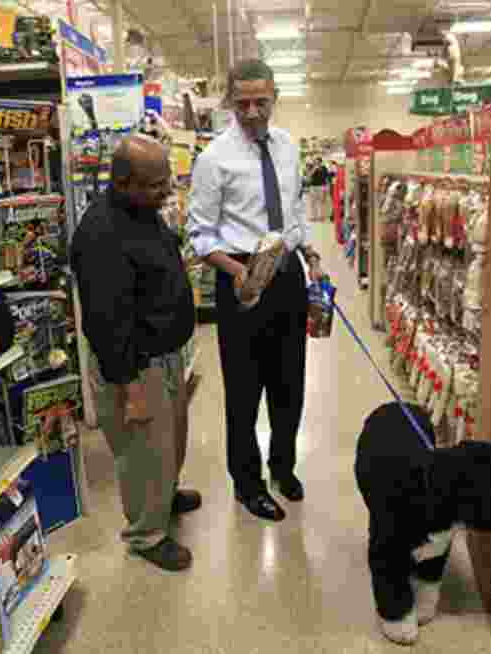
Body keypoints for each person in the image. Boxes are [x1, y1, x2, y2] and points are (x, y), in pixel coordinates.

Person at [187, 59, 326, 522]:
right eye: (241, 102)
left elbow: (294, 214)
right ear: (229, 100)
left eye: (260, 102)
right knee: (245, 391)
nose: (251, 112)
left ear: (274, 98)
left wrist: (313, 257)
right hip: (241, 279)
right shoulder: (214, 158)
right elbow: (200, 234)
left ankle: (282, 467)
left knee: (290, 385)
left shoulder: (287, 147)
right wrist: (235, 270)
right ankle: (247, 484)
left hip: (286, 276)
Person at [71, 136, 200, 571]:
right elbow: (107, 323)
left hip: (163, 354)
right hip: (132, 363)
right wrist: (132, 387)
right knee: (142, 450)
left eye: (168, 181)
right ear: (123, 181)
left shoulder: (141, 212)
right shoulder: (101, 233)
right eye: (156, 184)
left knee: (167, 442)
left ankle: (162, 497)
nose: (167, 191)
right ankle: (146, 533)